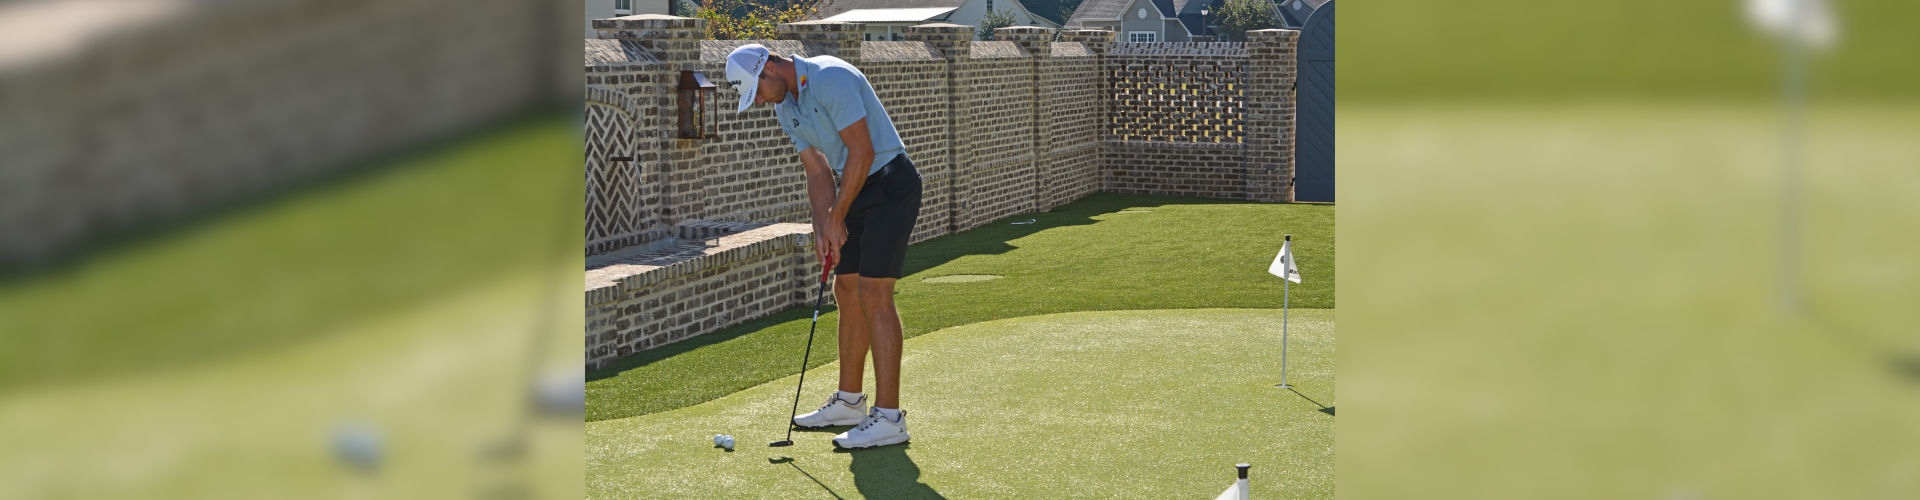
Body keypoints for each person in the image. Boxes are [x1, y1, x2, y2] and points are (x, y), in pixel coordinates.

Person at [726, 44, 922, 450]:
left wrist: (837, 216)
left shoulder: (830, 77)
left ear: (770, 69)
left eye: (758, 92)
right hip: (856, 189)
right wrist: (822, 225)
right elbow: (817, 170)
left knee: (874, 292)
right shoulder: (787, 108)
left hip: (890, 184)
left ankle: (889, 418)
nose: (760, 102)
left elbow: (863, 151)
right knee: (845, 288)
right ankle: (850, 403)